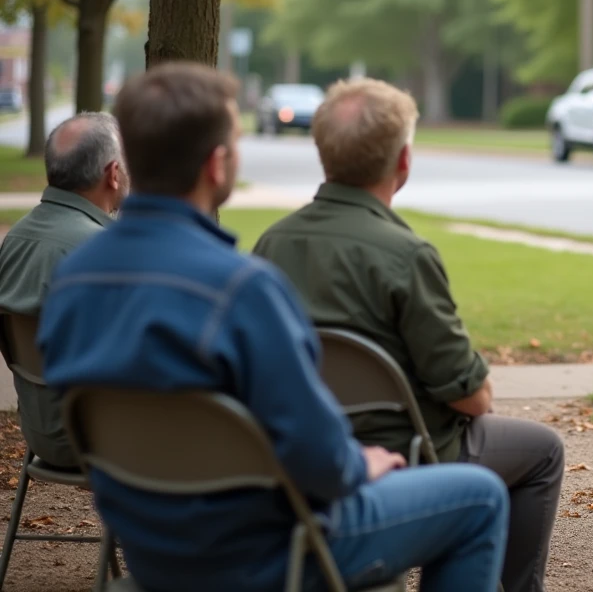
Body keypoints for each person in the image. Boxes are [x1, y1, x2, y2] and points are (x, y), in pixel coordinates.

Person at [38, 63, 508, 592]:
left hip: (153, 552)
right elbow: (320, 460)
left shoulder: (73, 279)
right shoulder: (241, 290)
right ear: (217, 165)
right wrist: (362, 463)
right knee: (480, 497)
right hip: (273, 552)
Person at [252, 78, 564, 592]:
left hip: (302, 447)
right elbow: (470, 398)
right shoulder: (406, 255)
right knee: (542, 451)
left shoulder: (271, 244)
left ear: (322, 153)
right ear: (403, 163)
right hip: (408, 448)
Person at [0, 112, 128, 469]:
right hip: (100, 440)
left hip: (39, 432)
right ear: (114, 174)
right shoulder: (105, 251)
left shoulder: (16, 238)